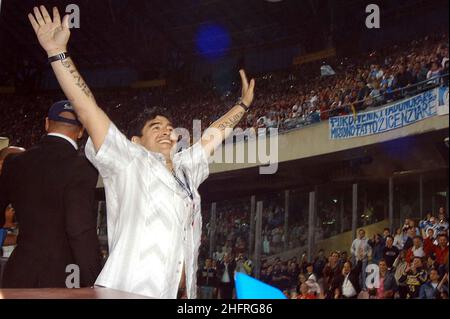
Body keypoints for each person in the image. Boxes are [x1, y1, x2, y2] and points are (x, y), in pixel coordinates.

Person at [28, 5, 255, 298]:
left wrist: (243, 105)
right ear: (136, 140)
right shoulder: (129, 161)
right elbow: (87, 108)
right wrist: (57, 52)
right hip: (129, 291)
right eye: (154, 126)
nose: (165, 130)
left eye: (169, 127)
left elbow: (213, 135)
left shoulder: (187, 168)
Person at [0, 101, 101, 288]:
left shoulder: (13, 162)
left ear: (47, 123)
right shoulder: (82, 167)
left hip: (19, 271)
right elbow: (79, 229)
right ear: (80, 132)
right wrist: (94, 279)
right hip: (63, 276)